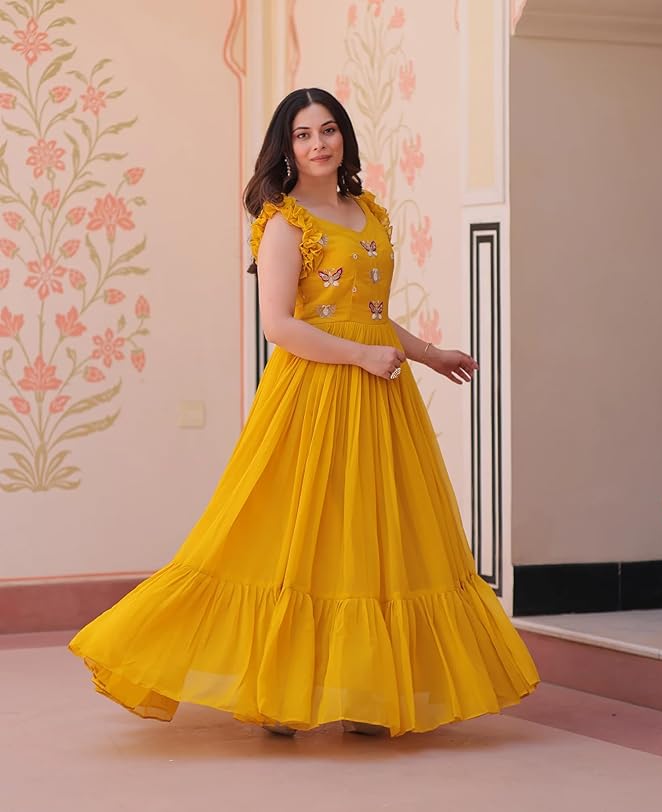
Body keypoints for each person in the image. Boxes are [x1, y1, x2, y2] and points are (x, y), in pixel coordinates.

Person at [69, 88, 539, 737]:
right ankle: (282, 692)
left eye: (327, 131)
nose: (317, 144)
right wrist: (360, 359)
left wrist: (428, 354)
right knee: (297, 533)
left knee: (370, 536)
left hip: (378, 393)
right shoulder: (283, 221)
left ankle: (367, 692)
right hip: (312, 394)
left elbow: (369, 315)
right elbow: (280, 327)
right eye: (302, 135)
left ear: (343, 136)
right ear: (286, 147)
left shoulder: (367, 211)